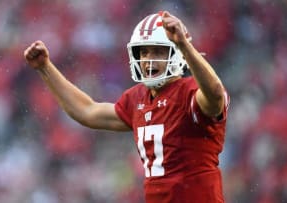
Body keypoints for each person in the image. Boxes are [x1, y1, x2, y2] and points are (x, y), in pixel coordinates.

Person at [24, 10, 229, 203]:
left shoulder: (190, 92)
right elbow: (86, 111)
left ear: (176, 53)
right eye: (144, 52)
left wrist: (185, 46)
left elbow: (215, 94)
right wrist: (46, 68)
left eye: (158, 51)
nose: (149, 59)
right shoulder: (137, 98)